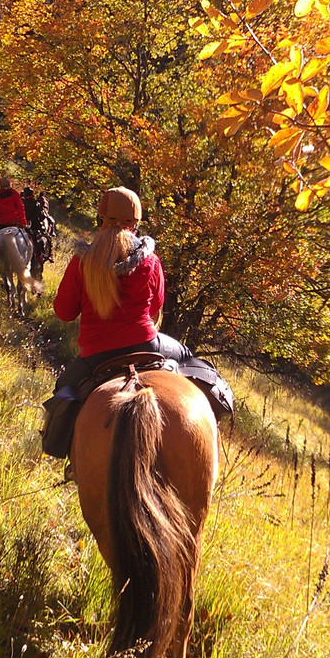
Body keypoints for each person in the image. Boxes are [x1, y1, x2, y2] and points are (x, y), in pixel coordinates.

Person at [41, 186, 193, 459]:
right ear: (135, 223)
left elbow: (64, 312)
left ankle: (63, 453)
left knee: (62, 390)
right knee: (188, 358)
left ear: (100, 217)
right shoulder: (151, 260)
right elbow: (156, 308)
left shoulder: (82, 261)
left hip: (95, 355)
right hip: (146, 343)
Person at [0, 177, 28, 265]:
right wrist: (23, 222)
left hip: (3, 223)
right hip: (16, 222)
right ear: (9, 184)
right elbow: (21, 208)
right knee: (28, 239)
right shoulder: (14, 194)